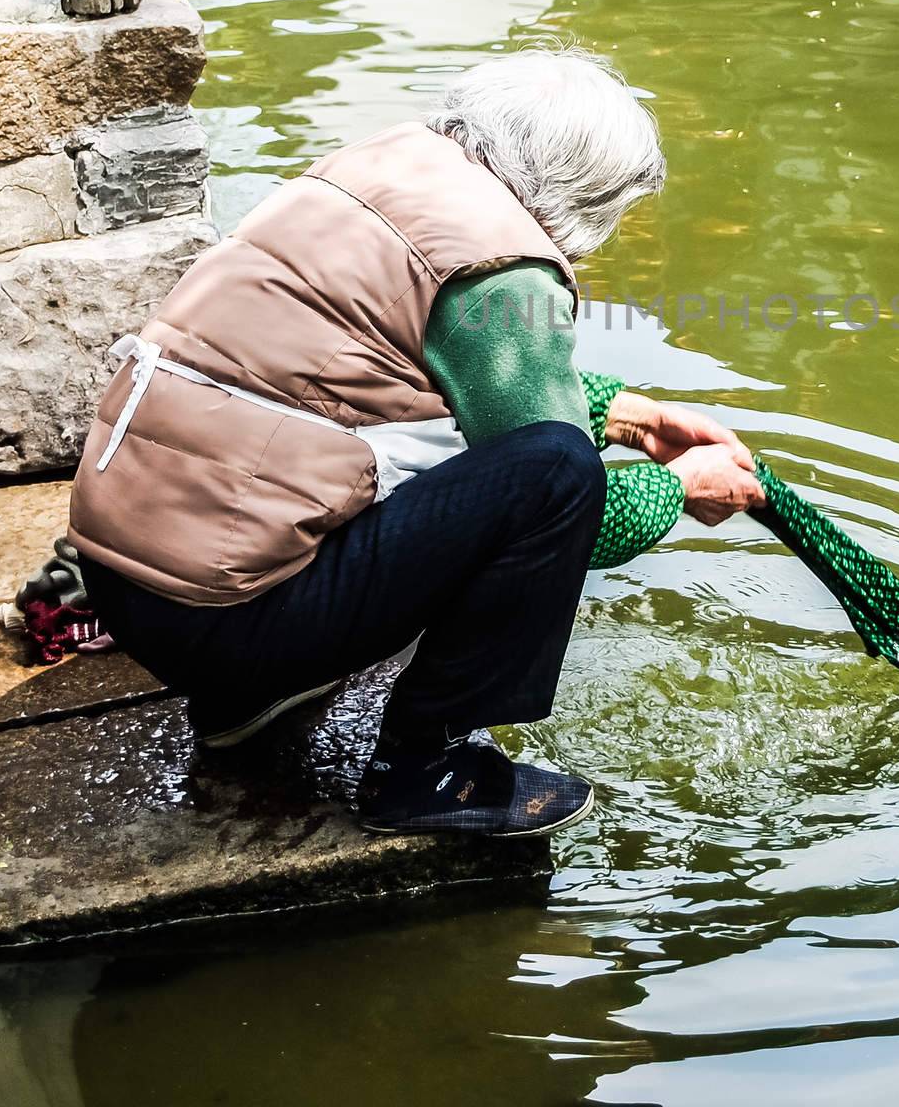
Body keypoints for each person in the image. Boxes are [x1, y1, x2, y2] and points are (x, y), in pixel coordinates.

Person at [68, 47, 764, 837]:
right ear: (590, 196)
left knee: (535, 461)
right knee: (561, 475)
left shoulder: (373, 172)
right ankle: (425, 769)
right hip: (225, 620)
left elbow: (402, 392)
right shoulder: (502, 269)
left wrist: (632, 417)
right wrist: (680, 489)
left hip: (126, 581)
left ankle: (249, 704)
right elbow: (566, 501)